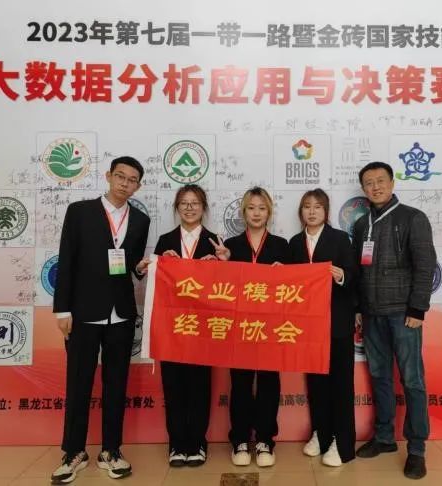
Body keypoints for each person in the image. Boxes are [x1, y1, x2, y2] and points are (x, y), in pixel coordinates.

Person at [51, 156, 150, 484]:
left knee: (116, 385)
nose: (125, 183)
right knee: (78, 383)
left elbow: (131, 263)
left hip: (121, 314)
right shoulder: (80, 212)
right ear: (108, 176)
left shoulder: (140, 220)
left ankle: (111, 450)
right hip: (83, 312)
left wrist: (139, 268)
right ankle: (73, 452)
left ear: (138, 186)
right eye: (120, 176)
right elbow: (67, 259)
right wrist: (62, 309)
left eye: (132, 180)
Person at [351, 161, 436, 480]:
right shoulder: (362, 225)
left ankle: (417, 449)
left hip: (403, 314)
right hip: (372, 314)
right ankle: (384, 437)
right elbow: (358, 271)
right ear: (363, 189)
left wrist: (418, 309)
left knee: (412, 380)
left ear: (392, 182)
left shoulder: (413, 217)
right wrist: (359, 308)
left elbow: (425, 265)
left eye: (380, 181)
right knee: (380, 377)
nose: (375, 187)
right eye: (369, 183)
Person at [144, 184, 230, 468]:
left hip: (204, 328)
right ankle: (176, 444)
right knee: (173, 385)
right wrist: (159, 265)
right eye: (184, 203)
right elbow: (155, 285)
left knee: (200, 385)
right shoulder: (165, 240)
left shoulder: (215, 241)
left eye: (195, 203)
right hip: (172, 328)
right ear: (177, 208)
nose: (189, 208)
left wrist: (222, 264)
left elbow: (227, 288)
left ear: (203, 207)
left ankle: (197, 443)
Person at [289, 189, 357, 467]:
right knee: (316, 383)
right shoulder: (295, 243)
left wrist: (342, 275)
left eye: (317, 207)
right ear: (301, 212)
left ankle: (343, 443)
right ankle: (322, 432)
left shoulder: (340, 239)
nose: (312, 211)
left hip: (337, 323)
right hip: (307, 327)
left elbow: (354, 276)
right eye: (307, 206)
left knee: (340, 385)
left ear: (326, 211)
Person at [224, 187, 289, 467]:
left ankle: (264, 440)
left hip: (270, 327)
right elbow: (220, 286)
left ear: (269, 212)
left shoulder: (282, 245)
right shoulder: (230, 245)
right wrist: (223, 263)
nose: (256, 213)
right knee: (240, 383)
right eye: (251, 208)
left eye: (262, 208)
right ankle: (240, 439)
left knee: (268, 383)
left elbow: (295, 288)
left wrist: (284, 274)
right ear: (243, 212)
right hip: (238, 327)